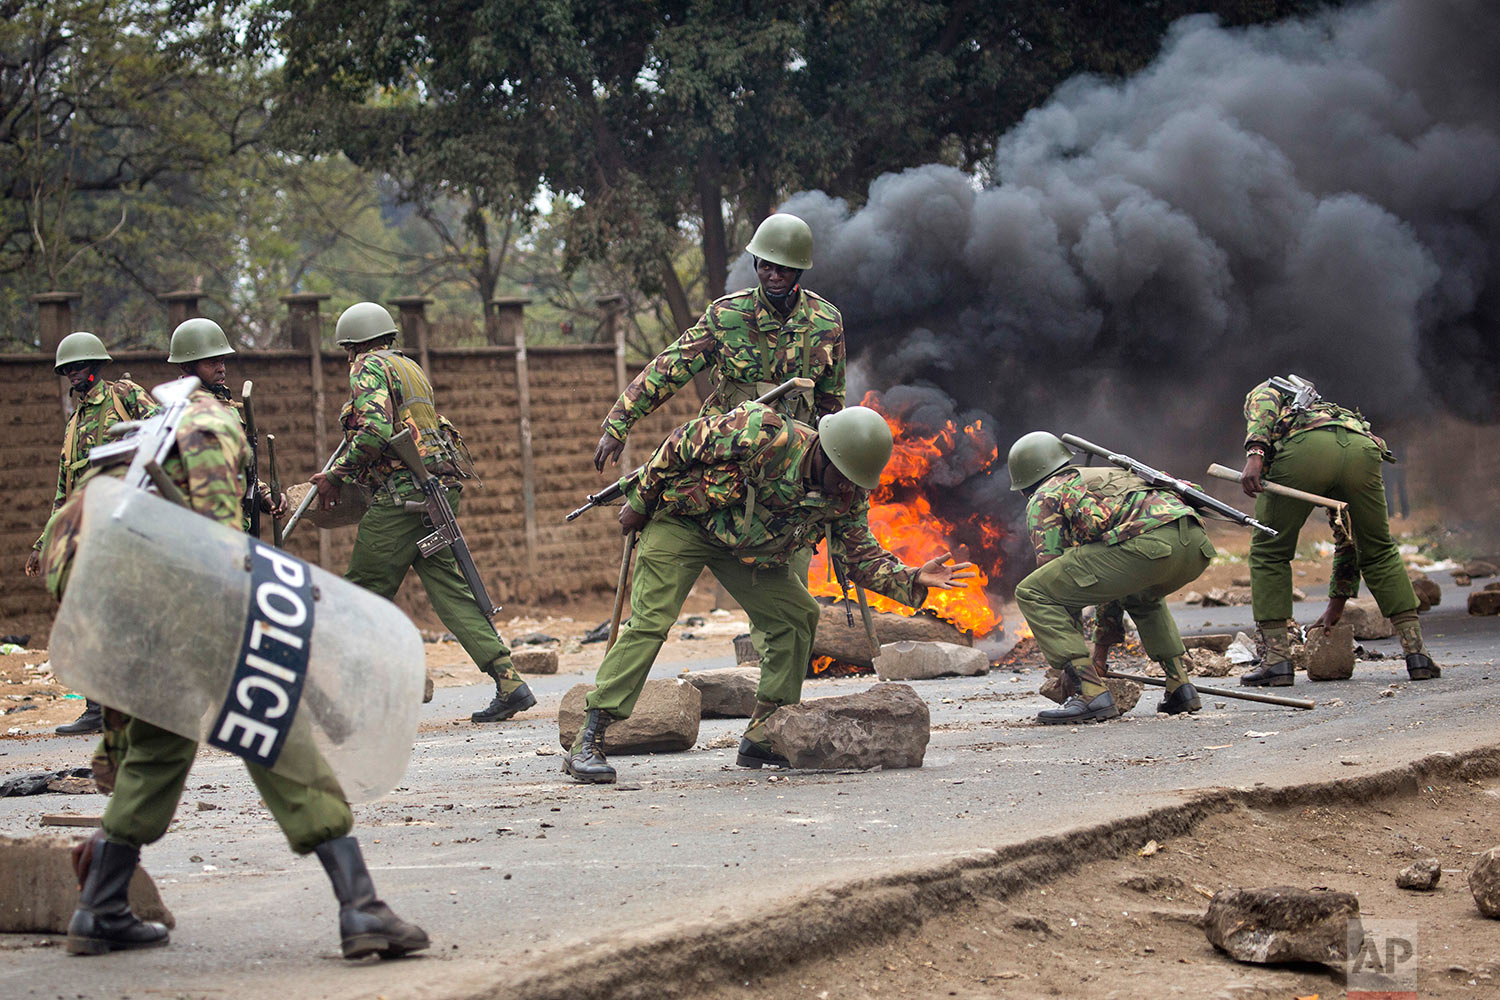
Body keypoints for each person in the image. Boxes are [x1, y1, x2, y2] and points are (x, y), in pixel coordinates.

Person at [40, 382, 427, 959]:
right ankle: (361, 906)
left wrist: (113, 757)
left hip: (81, 567)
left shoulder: (145, 438)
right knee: (271, 720)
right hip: (163, 578)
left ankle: (100, 906)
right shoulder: (210, 425)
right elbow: (217, 552)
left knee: (157, 741)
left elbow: (126, 669)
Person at [565, 403, 975, 784]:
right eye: (842, 477)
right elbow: (680, 443)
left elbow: (858, 555)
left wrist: (911, 578)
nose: (845, 490)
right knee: (652, 621)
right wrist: (641, 499)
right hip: (684, 523)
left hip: (747, 550)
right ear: (826, 452)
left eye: (854, 482)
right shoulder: (764, 432)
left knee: (797, 616)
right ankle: (591, 734)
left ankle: (766, 734)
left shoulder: (847, 491)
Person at [591, 212, 847, 667]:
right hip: (725, 463)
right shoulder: (726, 315)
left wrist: (835, 471)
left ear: (800, 271)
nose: (772, 274)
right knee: (685, 555)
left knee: (789, 593)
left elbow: (832, 404)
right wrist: (619, 421)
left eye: (782, 268)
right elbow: (670, 367)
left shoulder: (827, 321)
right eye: (764, 264)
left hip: (792, 477)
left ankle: (776, 701)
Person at [309, 302, 535, 723]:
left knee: (361, 592)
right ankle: (509, 681)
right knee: (452, 591)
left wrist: (336, 475)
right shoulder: (409, 368)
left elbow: (375, 431)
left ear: (354, 345)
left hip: (403, 498)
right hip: (438, 493)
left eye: (346, 350)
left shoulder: (367, 368)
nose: (347, 358)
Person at [1238, 377, 1438, 686]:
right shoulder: (1333, 414)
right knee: (1378, 548)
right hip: (1361, 449)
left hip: (1306, 453)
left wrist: (1255, 455)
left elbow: (1263, 401)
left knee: (1270, 552)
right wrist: (1336, 607)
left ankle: (1277, 661)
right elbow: (1347, 542)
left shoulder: (1271, 388)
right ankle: (1418, 655)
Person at [1008, 432, 1214, 725]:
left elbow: (1054, 586)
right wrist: (1099, 653)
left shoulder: (1046, 494)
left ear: (1025, 483)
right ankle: (1180, 686)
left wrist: (1076, 674)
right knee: (1140, 595)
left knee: (1032, 592)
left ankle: (1090, 694)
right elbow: (1113, 583)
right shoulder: (1105, 475)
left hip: (1149, 547)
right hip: (1195, 546)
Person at [25, 331, 156, 736]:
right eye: (68, 370)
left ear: (96, 367)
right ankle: (99, 707)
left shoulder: (125, 395)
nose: (73, 376)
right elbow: (64, 489)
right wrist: (44, 542)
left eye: (79, 368)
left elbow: (165, 437)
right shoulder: (74, 422)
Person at [166, 317, 287, 531]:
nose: (222, 369)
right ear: (186, 366)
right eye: (212, 363)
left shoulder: (224, 403)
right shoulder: (176, 411)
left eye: (222, 361)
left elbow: (235, 466)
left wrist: (262, 493)